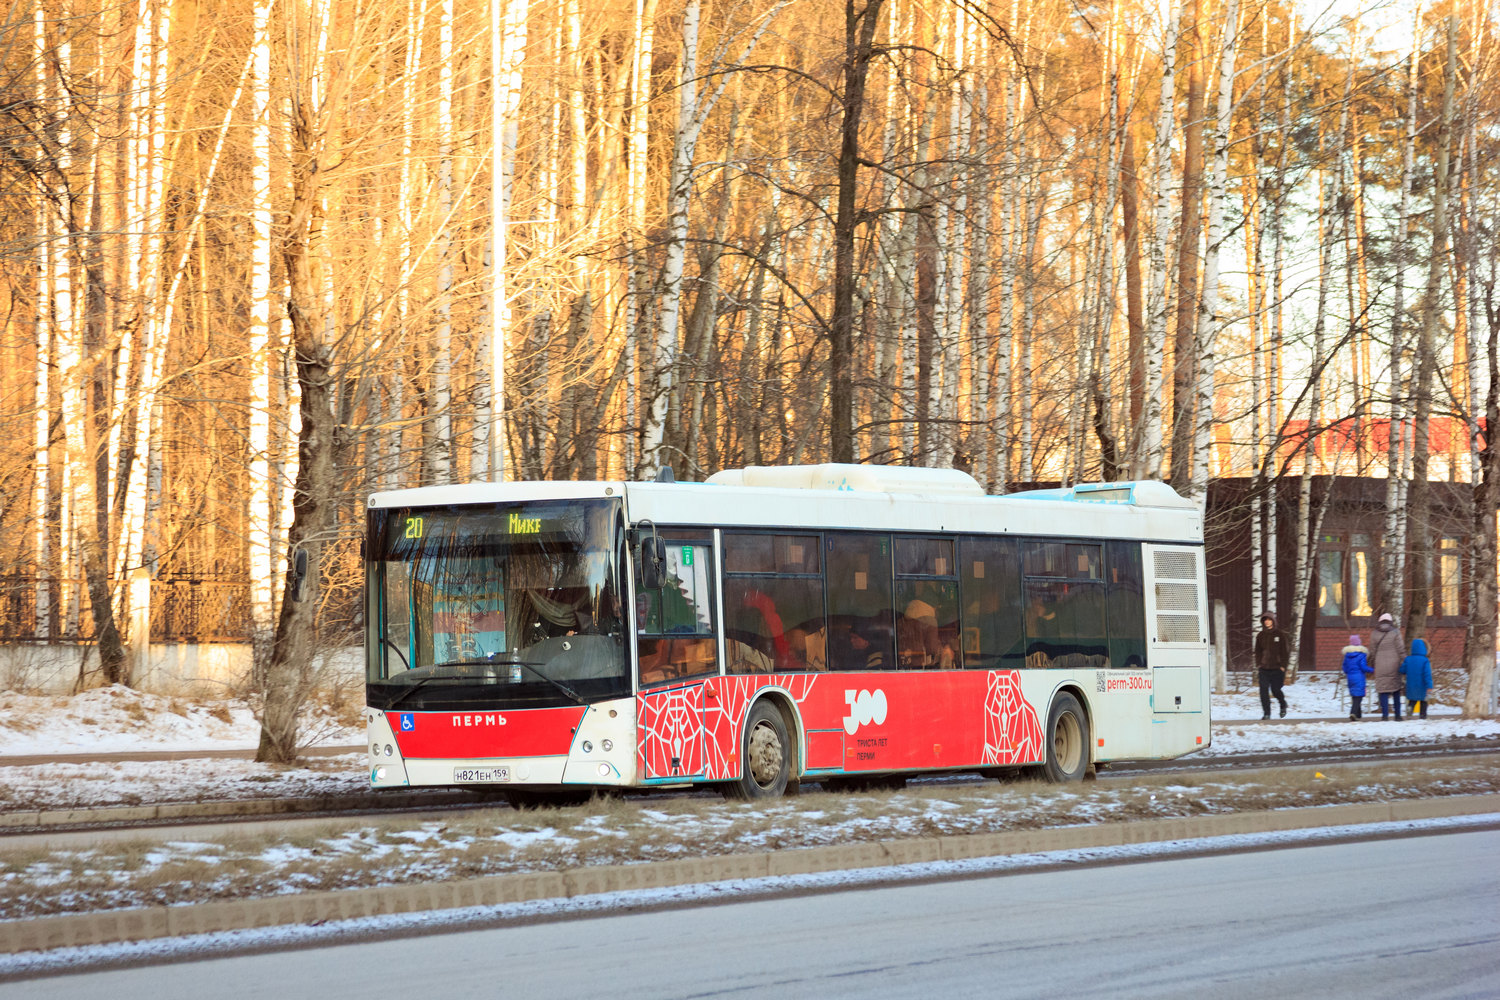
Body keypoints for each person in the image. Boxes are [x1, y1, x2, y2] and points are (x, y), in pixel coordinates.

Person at [1253, 613, 1290, 719]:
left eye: (1269, 620)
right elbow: (1258, 651)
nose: (1267, 622)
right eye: (1265, 620)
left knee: (1275, 690)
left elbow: (1285, 651)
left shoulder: (1280, 634)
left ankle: (1283, 704)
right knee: (1263, 691)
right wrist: (1259, 664)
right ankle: (1267, 713)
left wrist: (1283, 666)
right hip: (1264, 668)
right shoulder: (1260, 635)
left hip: (1277, 668)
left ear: (1273, 621)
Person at [1370, 611, 1405, 720]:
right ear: (1390, 622)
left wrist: (1373, 662)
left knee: (1383, 690)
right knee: (1395, 690)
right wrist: (1405, 660)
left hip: (1380, 664)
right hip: (1394, 664)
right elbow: (1400, 648)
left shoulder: (1375, 633)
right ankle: (1398, 715)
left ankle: (1385, 715)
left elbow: (1372, 651)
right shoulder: (1395, 632)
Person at [1340, 634, 1372, 721]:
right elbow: (1363, 667)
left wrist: (1349, 673)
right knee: (1359, 696)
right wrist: (1372, 670)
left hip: (1350, 677)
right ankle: (1353, 712)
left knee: (1355, 695)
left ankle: (1358, 715)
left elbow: (1344, 668)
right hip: (1359, 677)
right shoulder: (1361, 655)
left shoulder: (1347, 656)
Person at [1400, 638, 1433, 719]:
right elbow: (1427, 674)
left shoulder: (1408, 659)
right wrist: (1429, 686)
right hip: (1422, 685)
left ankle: (1409, 710)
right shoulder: (1425, 660)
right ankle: (1422, 716)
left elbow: (1402, 670)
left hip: (1411, 684)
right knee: (1423, 701)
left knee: (1412, 700)